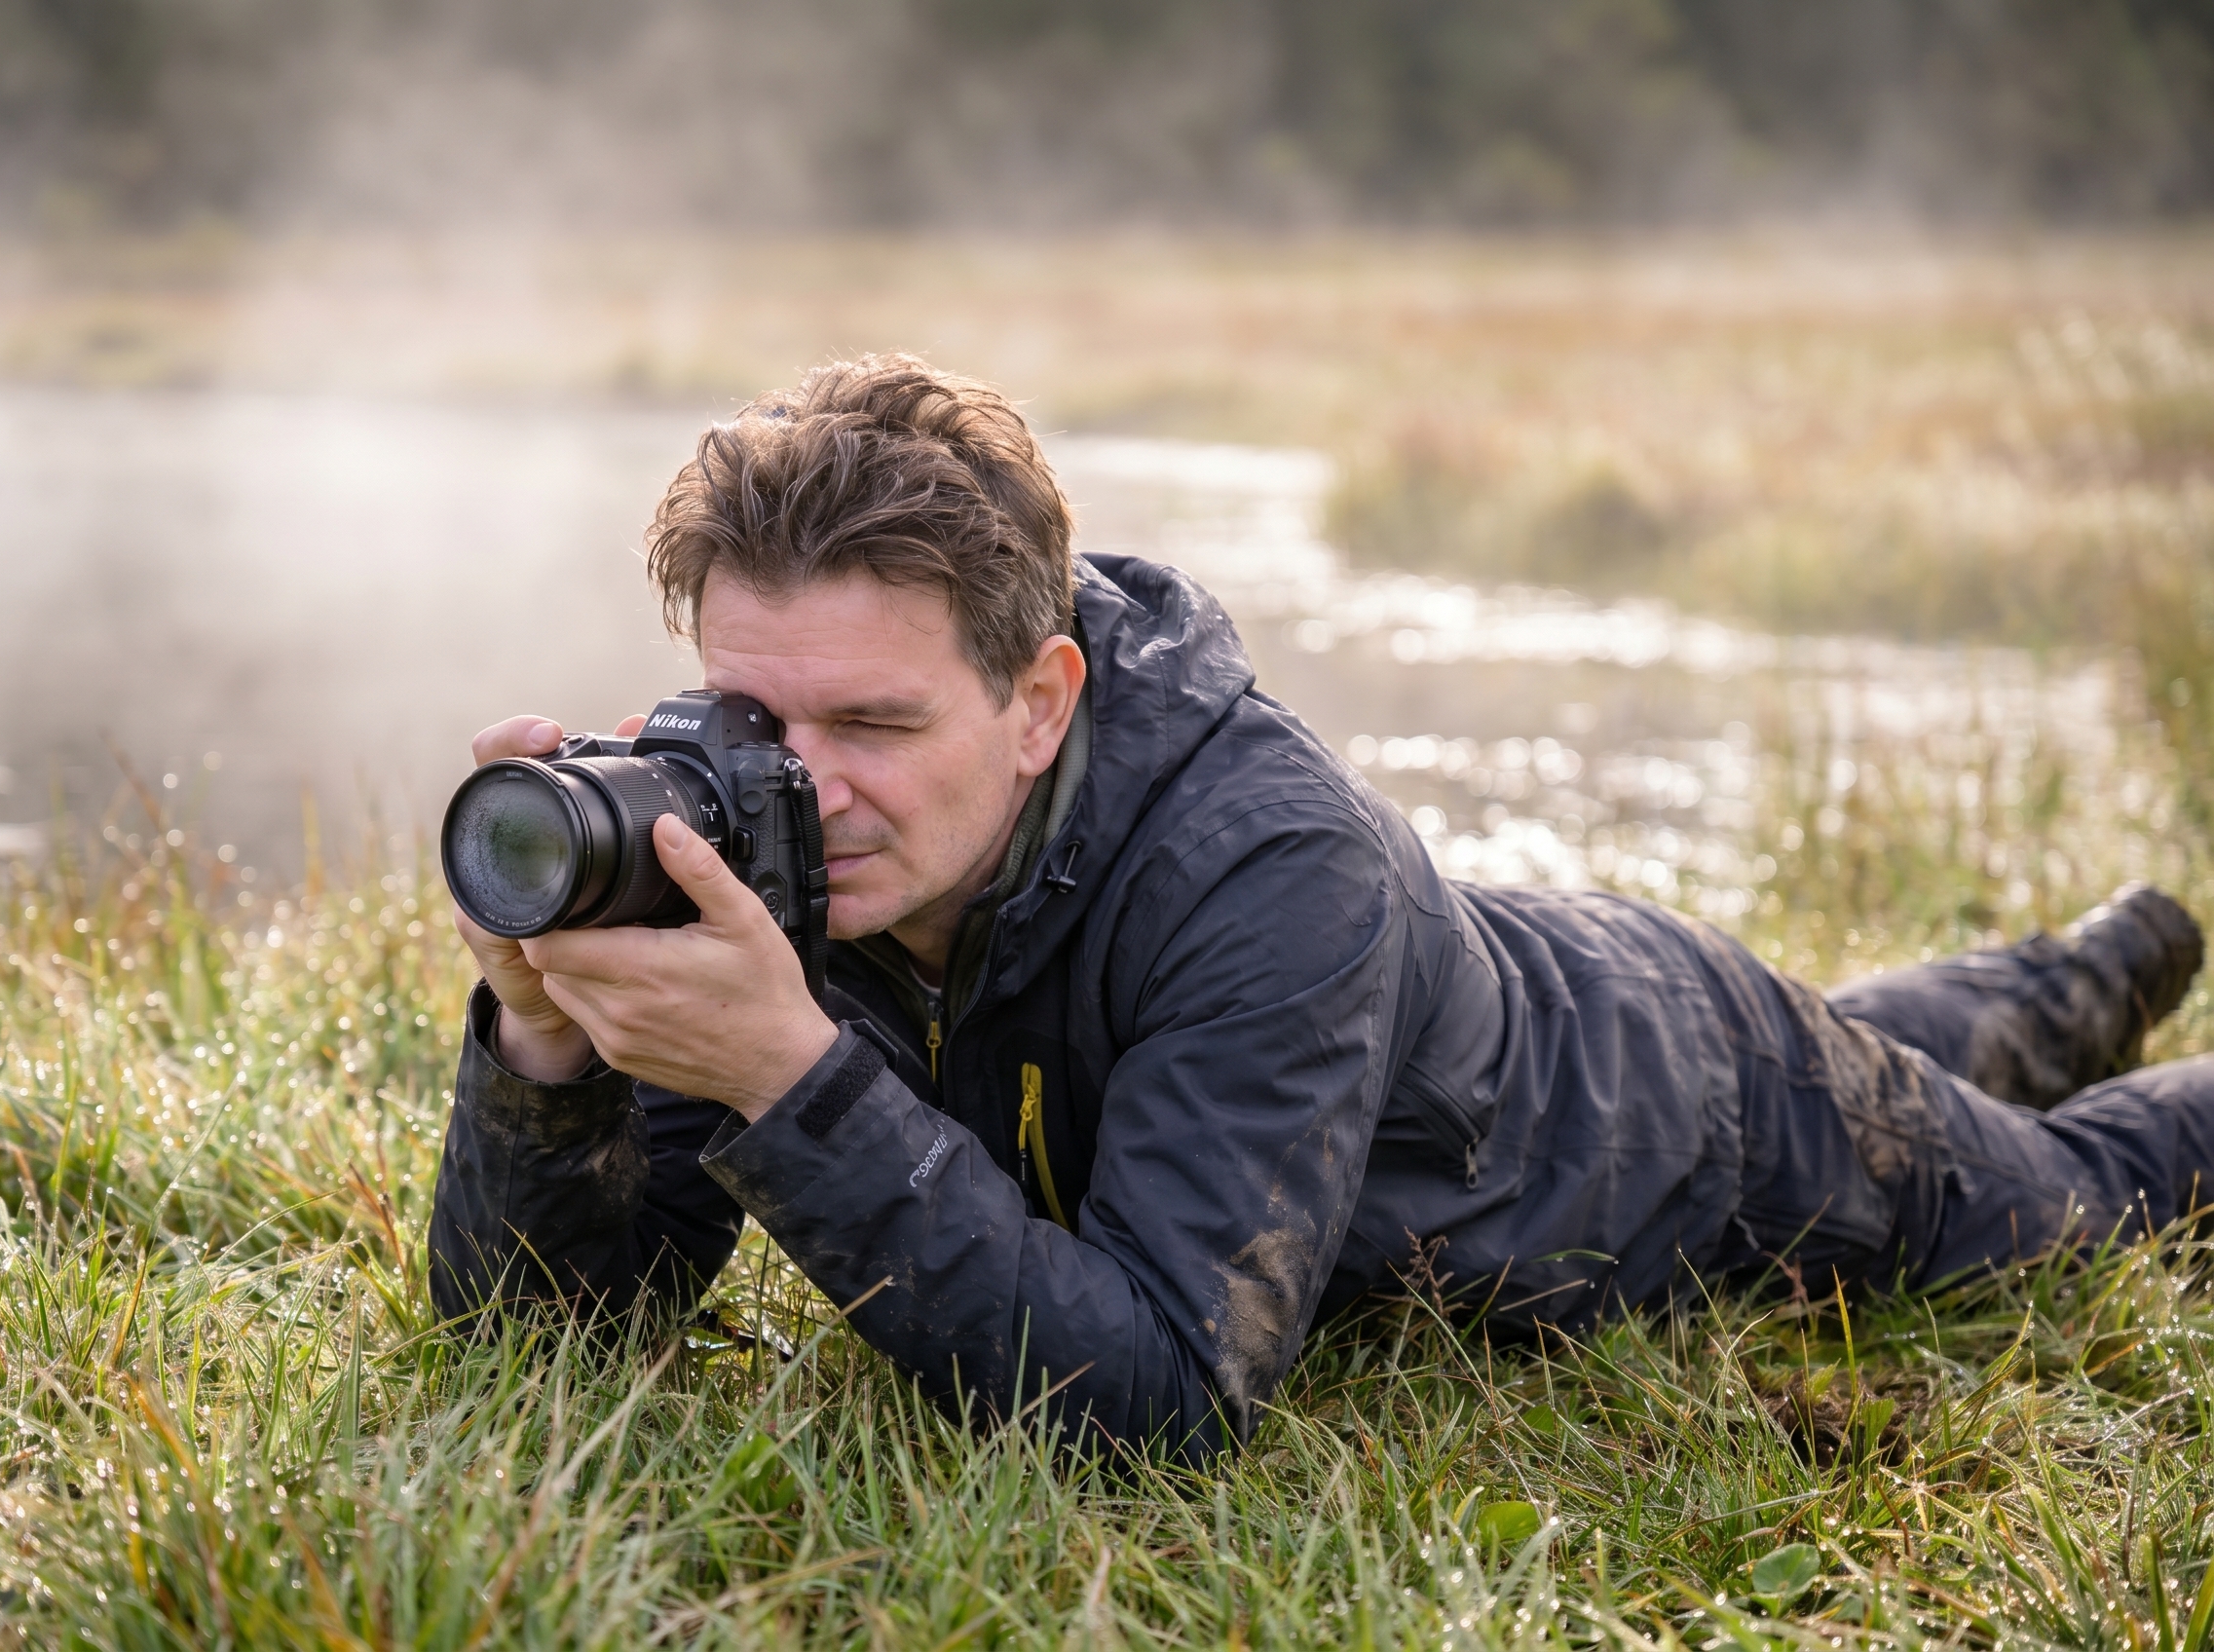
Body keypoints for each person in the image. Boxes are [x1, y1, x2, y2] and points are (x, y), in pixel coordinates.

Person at [429, 354, 2214, 1463]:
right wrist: (548, 1047)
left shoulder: (1270, 868)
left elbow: (1158, 1406)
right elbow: (546, 1344)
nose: (800, 784)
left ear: (1040, 699)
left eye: (875, 724)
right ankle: (2106, 954)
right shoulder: (754, 835)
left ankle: (2132, 975)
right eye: (757, 715)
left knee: (2069, 1194)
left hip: (1675, 1098)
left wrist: (794, 1079)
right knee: (1915, 1050)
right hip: (1464, 1004)